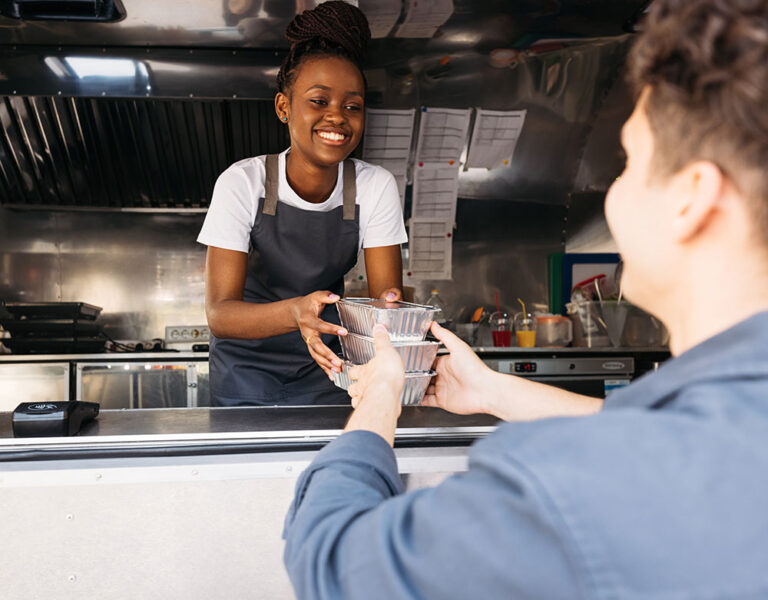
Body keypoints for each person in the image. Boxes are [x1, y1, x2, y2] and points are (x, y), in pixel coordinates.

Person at [282, 0, 768, 597]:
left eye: (630, 166)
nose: (612, 197)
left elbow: (335, 566)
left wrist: (381, 394)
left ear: (692, 198)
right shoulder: (725, 431)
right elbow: (662, 439)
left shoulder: (564, 490)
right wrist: (492, 390)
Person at [197, 2, 407, 406]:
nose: (338, 118)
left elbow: (387, 305)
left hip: (331, 369)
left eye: (352, 106)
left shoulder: (374, 186)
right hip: (245, 375)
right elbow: (220, 315)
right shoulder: (243, 183)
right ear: (283, 107)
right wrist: (296, 312)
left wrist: (393, 314)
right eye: (319, 101)